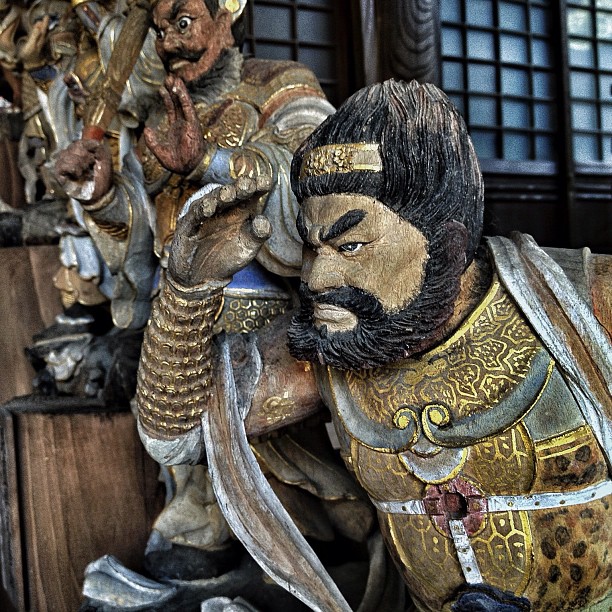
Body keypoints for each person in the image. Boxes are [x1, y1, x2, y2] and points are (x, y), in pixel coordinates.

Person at [135, 79, 612, 611]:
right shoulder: (334, 347)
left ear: (448, 247)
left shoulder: (584, 301)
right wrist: (187, 291)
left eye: (351, 245)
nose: (317, 279)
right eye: (314, 248)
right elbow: (173, 438)